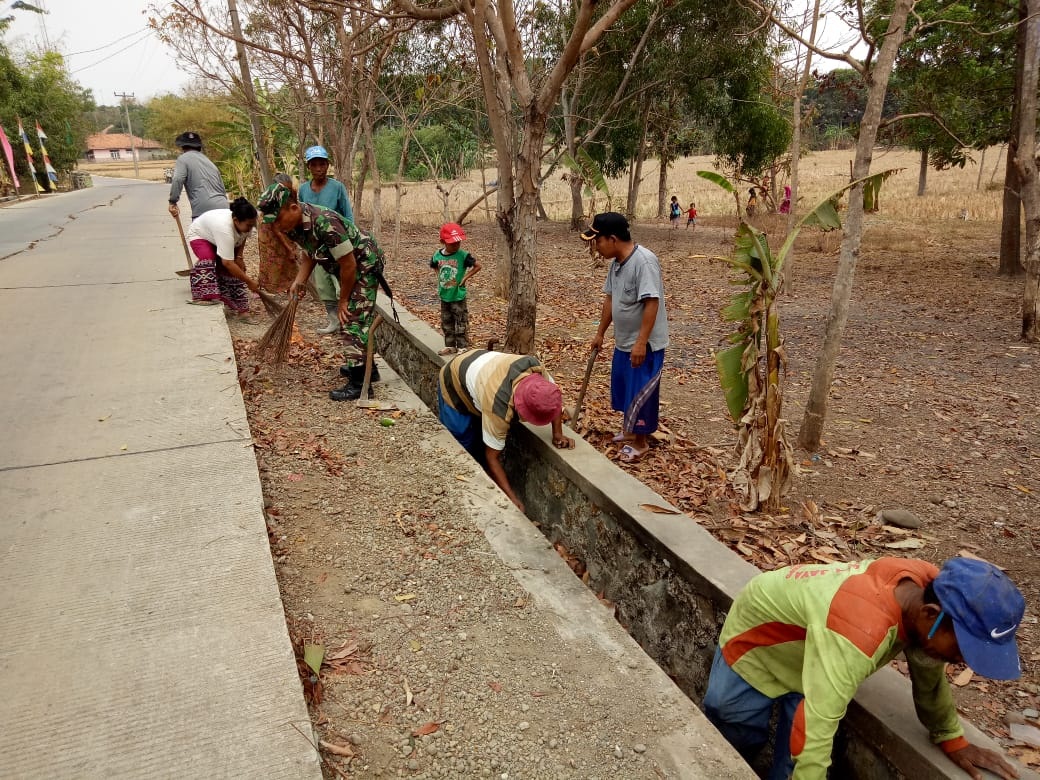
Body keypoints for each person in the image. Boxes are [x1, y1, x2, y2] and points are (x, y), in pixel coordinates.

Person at [703, 557, 1025, 780]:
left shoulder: (929, 588)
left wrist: (951, 737)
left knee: (793, 762)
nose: (963, 661)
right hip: (758, 645)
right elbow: (817, 727)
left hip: (816, 660)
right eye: (962, 648)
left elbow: (927, 670)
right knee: (732, 732)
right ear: (930, 614)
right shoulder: (857, 632)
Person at [256, 180, 386, 401]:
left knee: (352, 318)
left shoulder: (325, 223)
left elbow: (349, 265)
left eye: (278, 220)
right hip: (344, 264)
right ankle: (367, 370)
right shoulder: (292, 226)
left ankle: (358, 384)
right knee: (353, 318)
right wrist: (300, 280)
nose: (277, 227)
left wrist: (343, 300)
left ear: (294, 208)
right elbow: (309, 252)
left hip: (364, 263)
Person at [438, 349, 573, 512]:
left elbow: (554, 403)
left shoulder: (538, 373)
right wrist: (511, 497)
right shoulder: (498, 405)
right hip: (454, 379)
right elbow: (492, 456)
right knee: (462, 442)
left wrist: (557, 433)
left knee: (483, 433)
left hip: (483, 373)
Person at [583, 212, 669, 463]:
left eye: (597, 241)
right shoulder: (616, 265)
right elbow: (610, 300)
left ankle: (641, 442)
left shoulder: (644, 262)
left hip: (646, 344)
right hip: (624, 340)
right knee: (625, 388)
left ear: (612, 239)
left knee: (641, 390)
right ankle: (629, 431)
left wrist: (642, 342)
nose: (596, 248)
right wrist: (600, 333)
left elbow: (652, 302)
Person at [298, 145, 356, 335]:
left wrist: (351, 241)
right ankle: (334, 321)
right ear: (309, 167)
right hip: (316, 246)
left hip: (337, 242)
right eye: (314, 165)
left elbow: (347, 215)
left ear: (327, 165)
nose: (319, 168)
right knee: (323, 285)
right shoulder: (304, 190)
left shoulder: (337, 187)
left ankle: (348, 320)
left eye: (322, 164)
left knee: (343, 283)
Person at [184, 197, 261, 311]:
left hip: (219, 237)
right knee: (208, 258)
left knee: (236, 267)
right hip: (200, 234)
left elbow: (243, 238)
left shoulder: (245, 225)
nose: (251, 229)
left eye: (252, 225)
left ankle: (231, 300)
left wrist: (239, 257)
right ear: (236, 221)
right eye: (249, 225)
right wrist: (249, 282)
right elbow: (228, 263)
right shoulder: (224, 229)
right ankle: (203, 294)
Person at [430, 222, 482, 356]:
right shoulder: (437, 255)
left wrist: (465, 278)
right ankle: (450, 345)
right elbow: (434, 265)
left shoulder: (463, 255)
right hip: (444, 294)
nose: (456, 246)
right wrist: (439, 276)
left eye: (458, 243)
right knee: (446, 321)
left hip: (457, 295)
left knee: (460, 320)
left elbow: (477, 266)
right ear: (443, 242)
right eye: (452, 243)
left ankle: (462, 346)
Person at [167, 131, 228, 221]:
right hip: (224, 208)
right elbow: (222, 188)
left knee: (198, 235)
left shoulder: (183, 159)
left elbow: (177, 179)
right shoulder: (209, 162)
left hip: (203, 209)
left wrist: (173, 201)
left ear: (183, 147)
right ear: (199, 146)